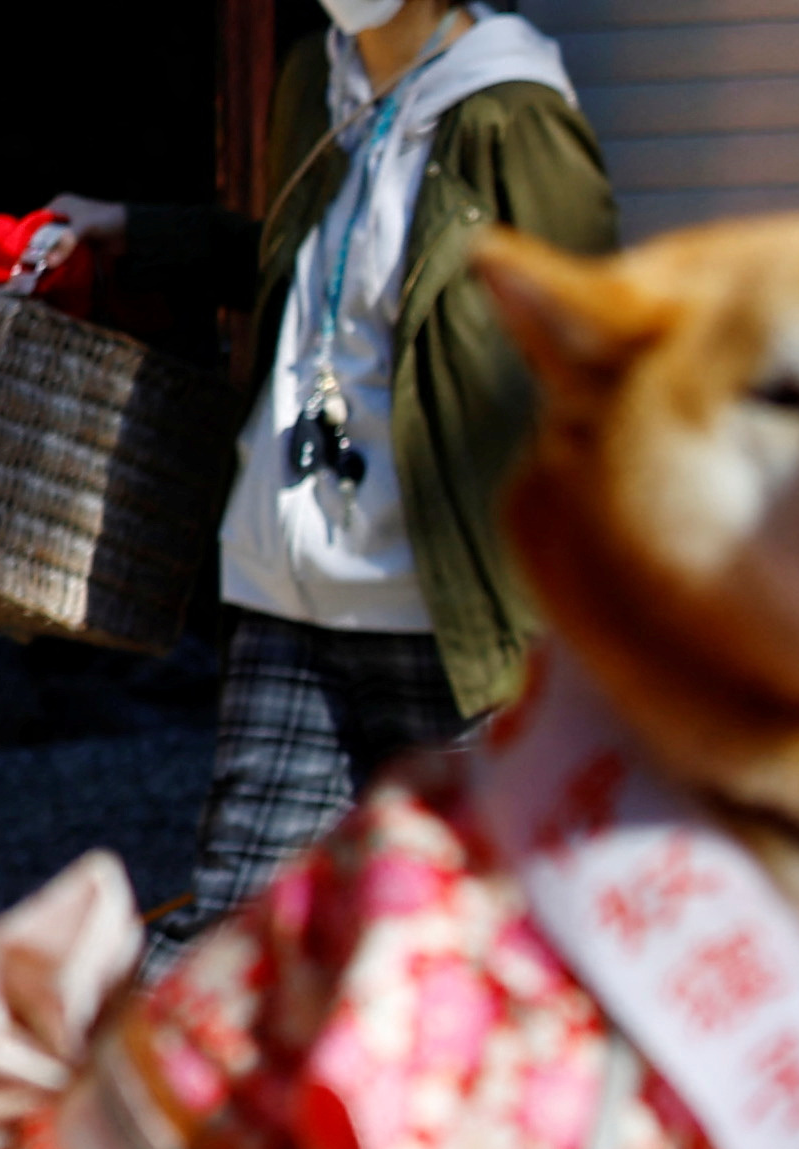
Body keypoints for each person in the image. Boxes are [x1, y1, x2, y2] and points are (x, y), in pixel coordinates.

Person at [52, 0, 611, 965]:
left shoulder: (509, 109)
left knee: (480, 945)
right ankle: (122, 1112)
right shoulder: (317, 81)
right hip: (289, 589)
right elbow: (298, 261)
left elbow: (588, 341)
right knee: (242, 942)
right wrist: (137, 234)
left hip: (449, 616)